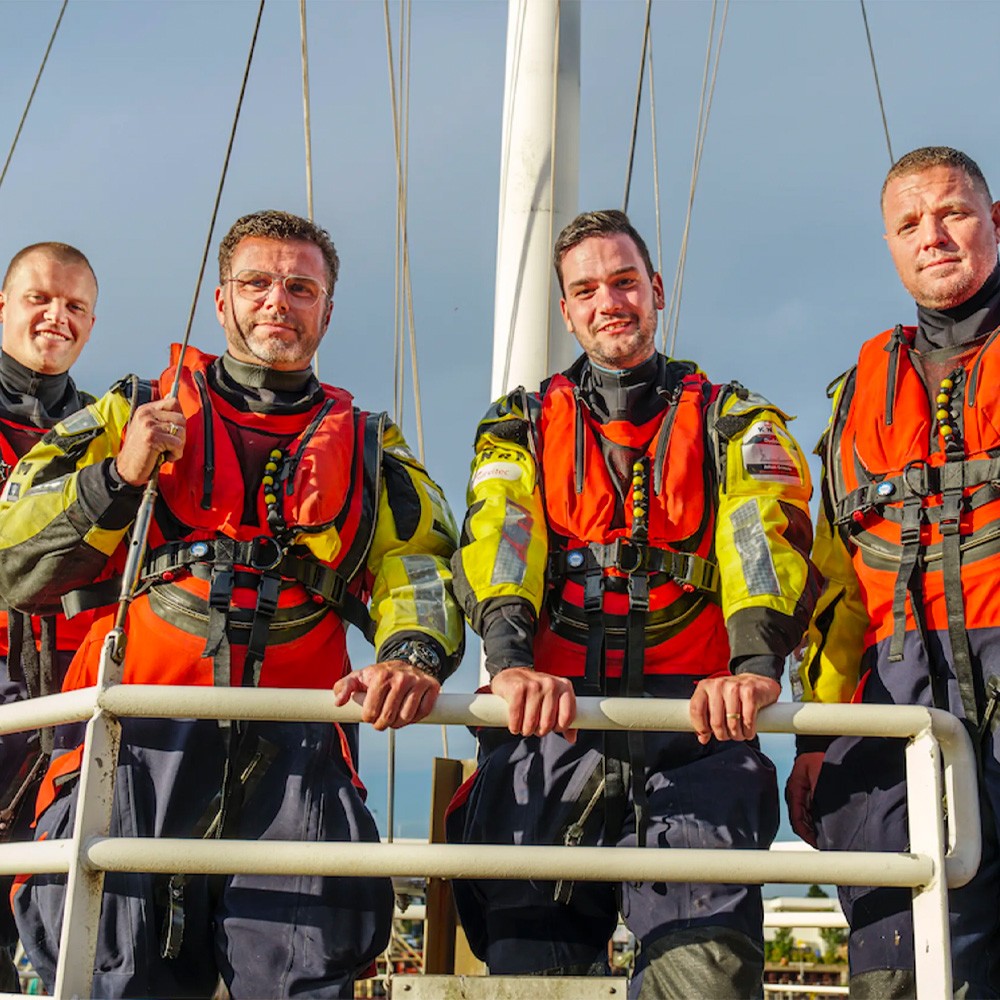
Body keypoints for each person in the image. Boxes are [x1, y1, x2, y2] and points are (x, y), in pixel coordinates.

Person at [0, 210, 464, 999]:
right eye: (256, 283)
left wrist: (410, 654)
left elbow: (418, 566)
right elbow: (14, 555)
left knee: (301, 974)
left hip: (296, 760)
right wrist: (116, 476)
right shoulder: (130, 411)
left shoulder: (373, 449)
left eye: (300, 287)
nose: (277, 302)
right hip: (140, 748)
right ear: (222, 302)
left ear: (325, 309)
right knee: (117, 971)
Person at [446, 210, 818, 997]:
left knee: (705, 973)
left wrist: (755, 666)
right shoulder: (518, 423)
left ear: (655, 289)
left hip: (697, 732)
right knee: (530, 977)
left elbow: (764, 537)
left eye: (623, 282)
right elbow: (501, 535)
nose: (608, 301)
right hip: (548, 730)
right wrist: (509, 664)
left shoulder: (735, 419)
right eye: (586, 289)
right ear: (567, 310)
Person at [787, 146, 1000, 998]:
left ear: (994, 222)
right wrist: (813, 739)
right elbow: (835, 593)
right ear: (890, 245)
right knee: (901, 970)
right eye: (911, 223)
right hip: (902, 716)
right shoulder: (855, 401)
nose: (934, 235)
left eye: (951, 212)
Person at [0, 241, 97, 992]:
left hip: (65, 705)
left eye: (73, 306)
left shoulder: (102, 435)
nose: (55, 317)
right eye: (39, 298)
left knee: (59, 909)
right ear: (4, 305)